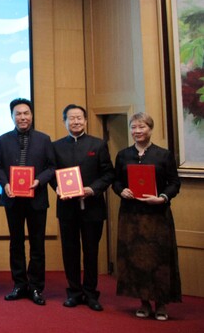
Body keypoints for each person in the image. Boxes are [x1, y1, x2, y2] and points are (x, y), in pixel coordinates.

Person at [113, 112, 181, 321]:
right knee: (136, 259)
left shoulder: (164, 155)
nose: (137, 131)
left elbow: (174, 183)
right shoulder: (123, 155)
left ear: (150, 129)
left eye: (141, 127)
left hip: (157, 216)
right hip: (131, 217)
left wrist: (162, 197)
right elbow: (116, 181)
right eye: (133, 127)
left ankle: (161, 304)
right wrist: (121, 190)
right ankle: (143, 302)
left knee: (159, 259)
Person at [51, 104, 113, 311]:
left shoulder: (98, 144)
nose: (75, 121)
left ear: (85, 121)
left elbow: (108, 174)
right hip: (67, 208)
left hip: (93, 208)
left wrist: (92, 189)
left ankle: (91, 293)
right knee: (70, 252)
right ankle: (74, 292)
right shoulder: (56, 146)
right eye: (71, 118)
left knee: (91, 252)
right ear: (64, 122)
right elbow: (51, 173)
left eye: (79, 118)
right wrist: (57, 187)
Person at [0, 98, 55, 306]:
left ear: (31, 115)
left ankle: (36, 287)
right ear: (12, 117)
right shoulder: (3, 139)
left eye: (26, 113)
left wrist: (39, 181)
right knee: (16, 243)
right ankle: (19, 284)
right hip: (13, 199)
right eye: (18, 114)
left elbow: (51, 167)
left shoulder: (44, 139)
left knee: (37, 244)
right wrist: (5, 184)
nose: (23, 117)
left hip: (36, 199)